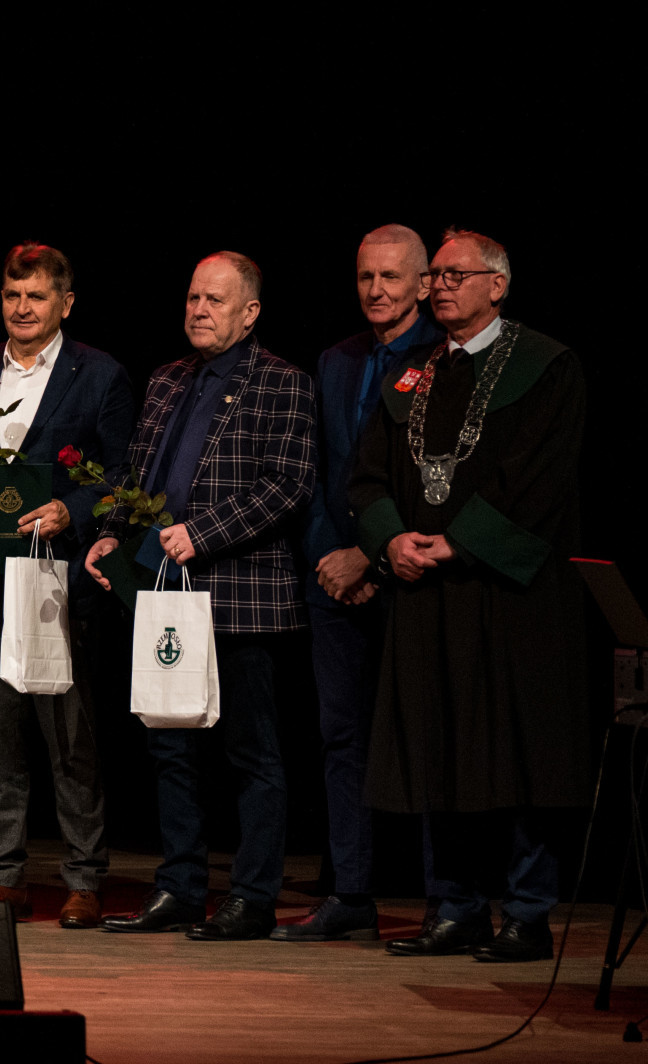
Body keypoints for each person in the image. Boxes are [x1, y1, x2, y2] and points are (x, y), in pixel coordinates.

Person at [356, 230, 590, 963]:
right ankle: (453, 908)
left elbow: (541, 477)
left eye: (457, 274)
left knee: (517, 755)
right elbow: (366, 476)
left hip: (509, 597)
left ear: (498, 285)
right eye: (437, 276)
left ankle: (525, 913)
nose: (441, 286)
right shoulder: (412, 374)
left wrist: (459, 542)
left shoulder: (545, 365)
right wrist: (392, 539)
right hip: (427, 596)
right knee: (439, 749)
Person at [84, 252, 316, 941]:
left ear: (250, 312)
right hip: (163, 592)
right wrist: (109, 535)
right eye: (192, 297)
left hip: (239, 594)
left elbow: (287, 485)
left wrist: (202, 534)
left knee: (251, 753)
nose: (199, 310)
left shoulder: (282, 382)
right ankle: (180, 887)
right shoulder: (165, 381)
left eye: (215, 300)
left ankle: (251, 896)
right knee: (170, 749)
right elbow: (138, 478)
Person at [0, 243, 133, 928]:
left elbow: (118, 475)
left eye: (37, 296)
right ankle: (4, 873)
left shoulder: (98, 375)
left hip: (58, 582)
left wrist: (71, 511)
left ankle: (82, 875)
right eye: (13, 295)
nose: (22, 308)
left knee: (70, 738)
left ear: (64, 304)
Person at [274, 225, 443, 943]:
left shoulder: (443, 355)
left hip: (407, 580)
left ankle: (447, 901)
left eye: (391, 279)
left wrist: (370, 559)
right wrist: (331, 558)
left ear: (425, 283)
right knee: (340, 738)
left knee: (426, 741)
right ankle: (351, 893)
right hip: (332, 578)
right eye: (366, 278)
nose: (377, 290)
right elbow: (318, 471)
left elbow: (429, 486)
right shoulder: (336, 359)